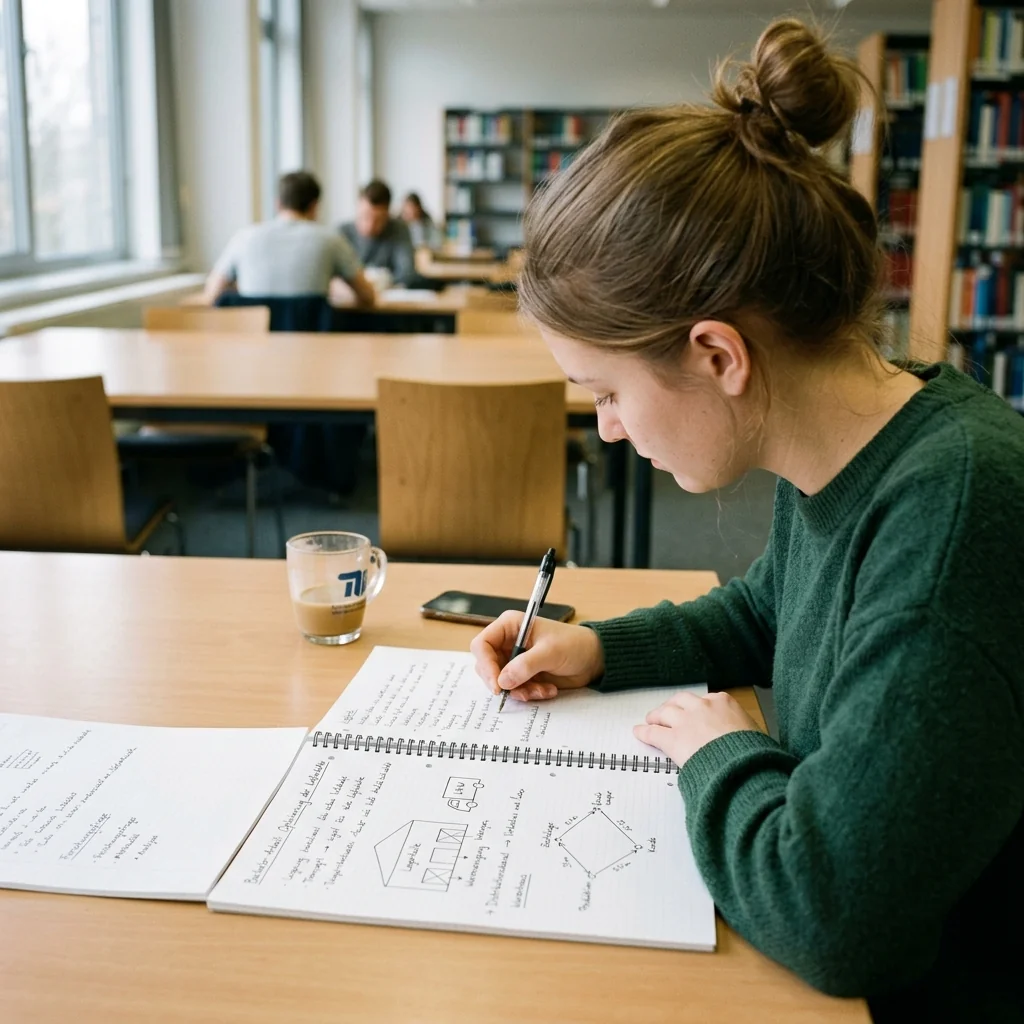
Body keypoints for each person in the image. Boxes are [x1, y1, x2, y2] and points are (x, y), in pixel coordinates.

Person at [469, 19, 1024, 1024]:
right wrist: (600, 645)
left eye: (605, 392)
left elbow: (836, 915)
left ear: (718, 355)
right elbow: (771, 608)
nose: (603, 428)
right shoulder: (858, 437)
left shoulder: (953, 516)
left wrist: (715, 752)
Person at [202, 170, 376, 307]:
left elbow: (212, 294)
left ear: (278, 203)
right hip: (313, 346)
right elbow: (368, 297)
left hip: (254, 347)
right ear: (315, 205)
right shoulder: (331, 239)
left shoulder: (244, 237)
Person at [340, 179, 416, 287]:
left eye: (378, 220)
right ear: (358, 207)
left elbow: (407, 273)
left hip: (389, 299)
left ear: (388, 214)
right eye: (365, 216)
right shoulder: (342, 233)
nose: (370, 225)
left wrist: (382, 281)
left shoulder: (399, 230)